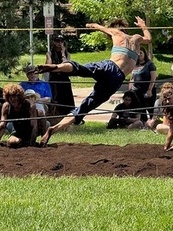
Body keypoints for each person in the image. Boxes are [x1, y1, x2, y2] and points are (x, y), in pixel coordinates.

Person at [36, 16, 151, 146]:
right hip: (117, 79)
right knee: (85, 107)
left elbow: (101, 28)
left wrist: (92, 25)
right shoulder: (136, 38)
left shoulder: (116, 32)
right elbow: (149, 39)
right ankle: (54, 129)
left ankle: (57, 67)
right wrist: (142, 25)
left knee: (81, 69)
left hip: (110, 67)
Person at [44, 34, 75, 116]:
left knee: (67, 97)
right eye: (57, 41)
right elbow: (49, 66)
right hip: (54, 77)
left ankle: (69, 113)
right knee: (55, 96)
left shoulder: (67, 54)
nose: (59, 43)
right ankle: (56, 113)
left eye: (61, 41)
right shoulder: (49, 53)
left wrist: (63, 53)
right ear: (54, 42)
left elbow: (67, 64)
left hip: (64, 77)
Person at [129, 46, 157, 122]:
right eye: (137, 53)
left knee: (150, 108)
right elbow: (131, 78)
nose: (139, 54)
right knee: (140, 109)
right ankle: (143, 123)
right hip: (136, 92)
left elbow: (153, 78)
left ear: (144, 53)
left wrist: (149, 90)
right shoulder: (134, 64)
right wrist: (130, 91)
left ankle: (152, 123)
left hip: (147, 91)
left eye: (141, 53)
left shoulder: (150, 64)